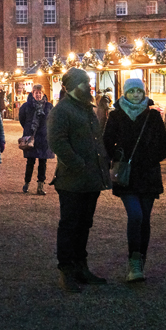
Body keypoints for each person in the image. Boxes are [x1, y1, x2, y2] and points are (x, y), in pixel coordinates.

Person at [47, 67, 111, 293]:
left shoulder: (87, 108)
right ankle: (67, 270)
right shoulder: (62, 111)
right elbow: (57, 142)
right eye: (85, 83)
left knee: (85, 224)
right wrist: (78, 164)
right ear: (72, 86)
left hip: (91, 179)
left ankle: (81, 266)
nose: (89, 87)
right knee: (70, 225)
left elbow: (96, 139)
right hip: (72, 181)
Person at [102, 78, 166, 283]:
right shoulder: (116, 116)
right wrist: (118, 155)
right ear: (124, 93)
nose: (135, 94)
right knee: (135, 215)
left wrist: (150, 159)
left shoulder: (153, 116)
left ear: (144, 93)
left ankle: (141, 260)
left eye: (138, 91)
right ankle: (134, 261)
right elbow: (106, 143)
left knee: (145, 218)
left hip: (148, 174)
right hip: (127, 175)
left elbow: (165, 146)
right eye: (131, 91)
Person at [18, 84, 53, 195]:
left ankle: (40, 186)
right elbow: (22, 119)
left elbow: (52, 120)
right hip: (31, 137)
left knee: (43, 162)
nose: (38, 94)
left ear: (43, 94)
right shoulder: (26, 106)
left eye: (40, 92)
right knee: (30, 162)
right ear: (32, 93)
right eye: (36, 92)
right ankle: (26, 183)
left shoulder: (49, 106)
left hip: (44, 137)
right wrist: (28, 129)